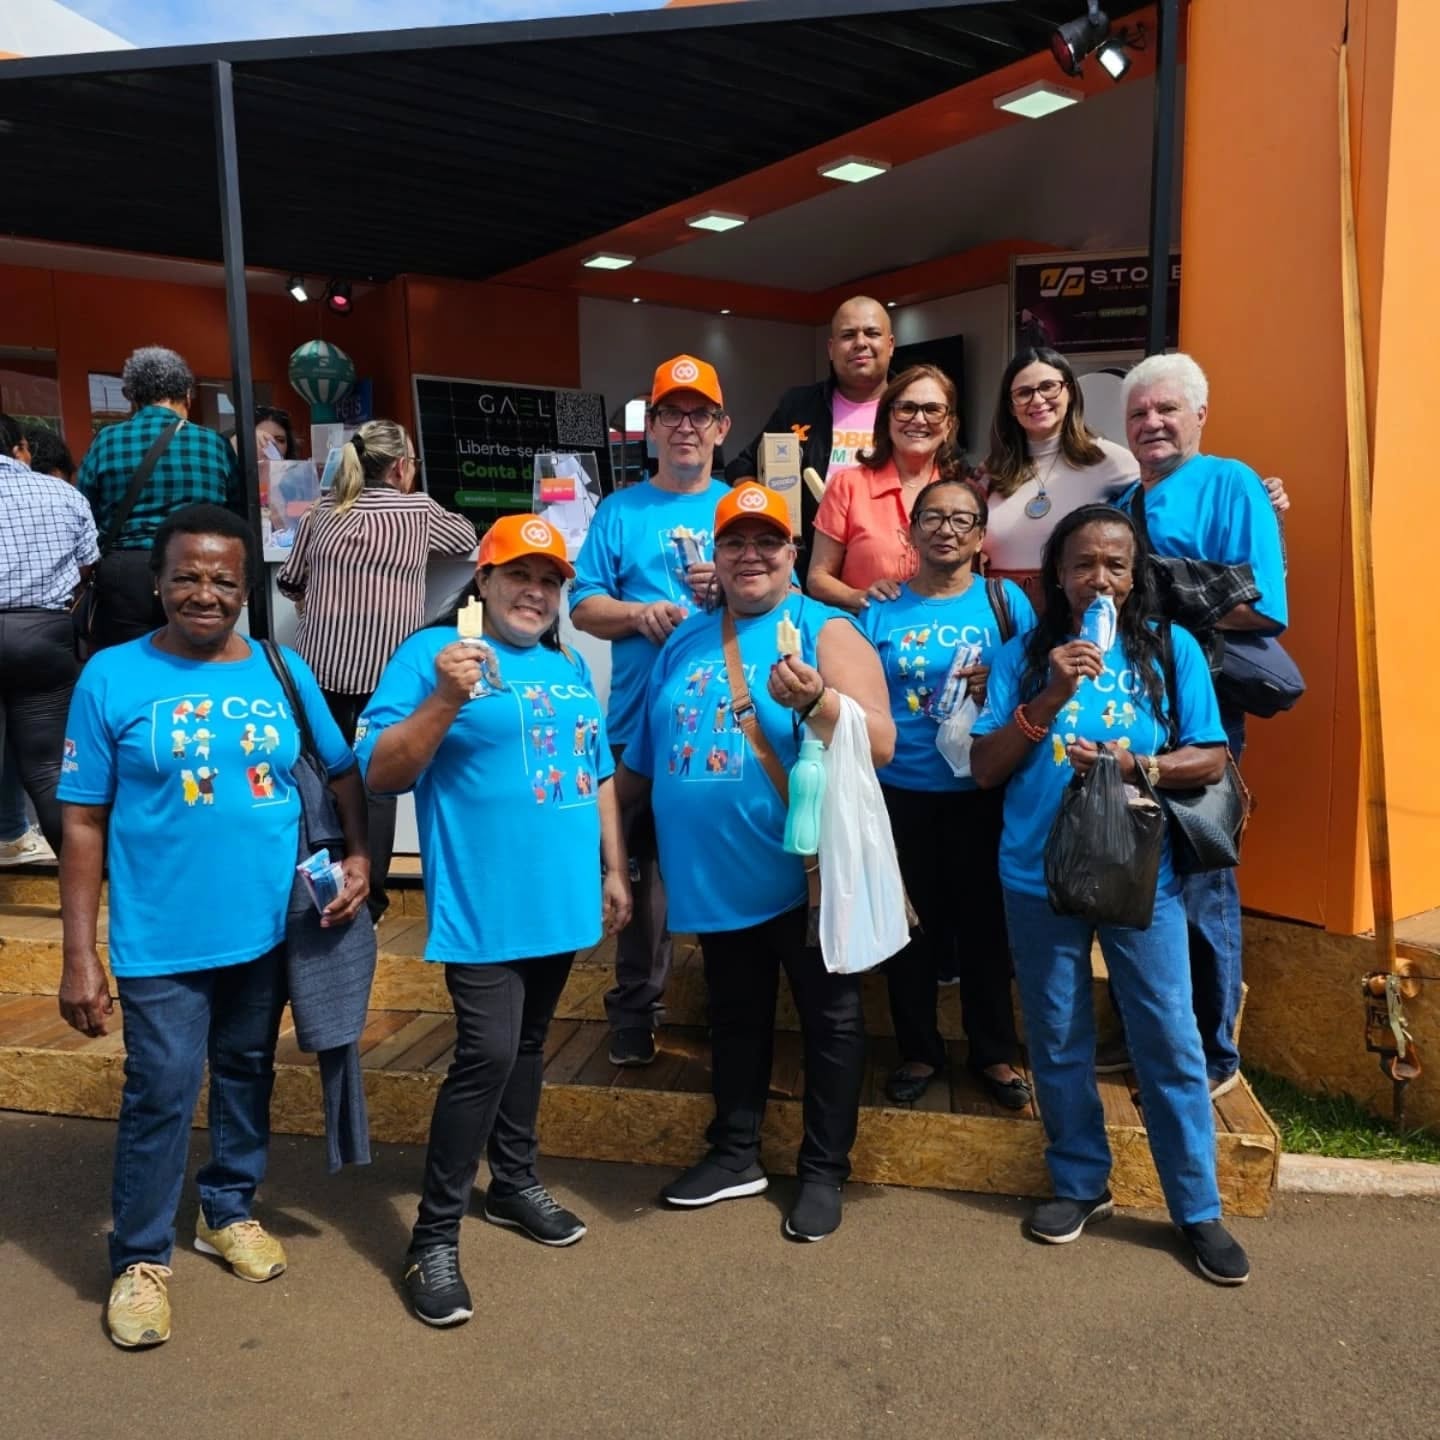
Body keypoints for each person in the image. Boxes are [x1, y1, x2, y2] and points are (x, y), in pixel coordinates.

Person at [55, 503, 370, 1349]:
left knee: (245, 1072)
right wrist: (78, 954)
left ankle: (227, 1209)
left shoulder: (281, 667)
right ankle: (139, 1257)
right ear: (157, 583)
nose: (205, 593)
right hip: (161, 937)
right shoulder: (112, 676)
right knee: (161, 1089)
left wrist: (360, 857)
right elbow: (81, 821)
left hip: (268, 929)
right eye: (187, 577)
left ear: (246, 589)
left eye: (224, 580)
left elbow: (342, 770)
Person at [357, 514, 631, 1327]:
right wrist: (446, 697)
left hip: (562, 897)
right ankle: (433, 1239)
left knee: (529, 1045)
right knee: (486, 1055)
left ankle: (513, 1183)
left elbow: (598, 770)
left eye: (549, 580)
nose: (535, 593)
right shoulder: (432, 655)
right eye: (519, 575)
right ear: (482, 580)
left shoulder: (568, 662)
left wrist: (615, 868)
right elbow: (380, 771)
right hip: (485, 900)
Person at [970, 503, 1250, 1286]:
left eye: (1116, 565)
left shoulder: (1170, 648)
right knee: (1057, 1037)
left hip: (1141, 874)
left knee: (1169, 1037)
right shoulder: (1023, 655)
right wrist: (1050, 696)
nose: (1100, 578)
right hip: (1036, 875)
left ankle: (1197, 1209)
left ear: (1135, 576)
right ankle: (1080, 1183)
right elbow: (985, 768)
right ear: (1057, 575)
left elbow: (1210, 757)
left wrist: (1137, 766)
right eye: (1083, 564)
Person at [620, 483, 895, 1243]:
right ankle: (735, 1153)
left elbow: (881, 742)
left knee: (830, 1022)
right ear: (714, 556)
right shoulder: (685, 639)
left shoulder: (824, 627)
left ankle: (823, 1170)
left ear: (792, 552)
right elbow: (641, 760)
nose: (751, 554)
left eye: (767, 541)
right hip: (712, 878)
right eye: (734, 542)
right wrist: (604, 847)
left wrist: (818, 703)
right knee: (734, 1017)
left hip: (805, 876)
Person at [1115, 352, 1289, 1100]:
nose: (1152, 423)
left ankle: (1212, 1053)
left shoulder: (1231, 482)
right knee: (1136, 876)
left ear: (1200, 415)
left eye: (1167, 409)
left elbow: (1264, 607)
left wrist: (1165, 599)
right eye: (1139, 413)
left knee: (1201, 878)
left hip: (1202, 714)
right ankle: (1156, 1038)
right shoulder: (1124, 499)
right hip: (1133, 713)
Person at [570, 355, 733, 1067]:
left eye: (700, 414)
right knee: (639, 872)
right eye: (672, 413)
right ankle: (636, 1007)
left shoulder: (739, 506)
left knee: (724, 864)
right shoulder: (620, 510)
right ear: (653, 427)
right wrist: (639, 615)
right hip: (636, 722)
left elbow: (781, 596)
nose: (685, 426)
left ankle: (732, 1005)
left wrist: (730, 591)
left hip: (722, 724)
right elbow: (583, 605)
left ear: (722, 427)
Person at [859, 476, 1035, 1108]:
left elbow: (1036, 682)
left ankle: (994, 1053)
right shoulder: (880, 608)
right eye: (932, 517)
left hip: (982, 790)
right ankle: (918, 1050)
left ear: (981, 536)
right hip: (899, 792)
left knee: (986, 926)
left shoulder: (1005, 602)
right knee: (911, 928)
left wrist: (1001, 685)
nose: (946, 530)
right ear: (911, 531)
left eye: (962, 520)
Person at [277, 418, 478, 924]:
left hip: (321, 667)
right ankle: (371, 900)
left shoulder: (323, 512)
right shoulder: (418, 510)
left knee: (321, 777)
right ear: (402, 466)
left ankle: (320, 886)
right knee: (376, 784)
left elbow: (290, 580)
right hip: (387, 673)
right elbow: (467, 538)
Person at [76, 346, 241, 648]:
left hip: (126, 572)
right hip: (197, 566)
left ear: (132, 397)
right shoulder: (213, 444)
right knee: (195, 655)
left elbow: (84, 511)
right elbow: (235, 512)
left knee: (126, 659)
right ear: (187, 394)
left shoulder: (106, 440)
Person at [726, 295, 896, 579]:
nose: (860, 342)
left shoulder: (912, 405)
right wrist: (766, 517)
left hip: (893, 575)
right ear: (831, 348)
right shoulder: (799, 405)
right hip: (810, 574)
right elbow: (743, 467)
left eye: (872, 333)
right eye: (848, 335)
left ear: (890, 345)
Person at [0, 414, 97, 859]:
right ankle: (84, 878)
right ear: (21, 448)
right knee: (48, 769)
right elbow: (88, 562)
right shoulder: (62, 493)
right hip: (41, 637)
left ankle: (11, 837)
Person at [978, 348, 1139, 604]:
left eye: (1048, 387)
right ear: (1010, 406)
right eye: (1024, 393)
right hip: (1000, 611)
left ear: (1070, 392)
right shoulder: (992, 471)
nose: (1037, 400)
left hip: (1074, 609)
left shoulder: (1108, 459)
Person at [807, 364, 963, 614]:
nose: (919, 419)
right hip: (866, 631)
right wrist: (862, 597)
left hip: (945, 631)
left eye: (933, 410)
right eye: (906, 408)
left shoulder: (963, 492)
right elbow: (818, 578)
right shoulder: (848, 485)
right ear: (886, 420)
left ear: (949, 426)